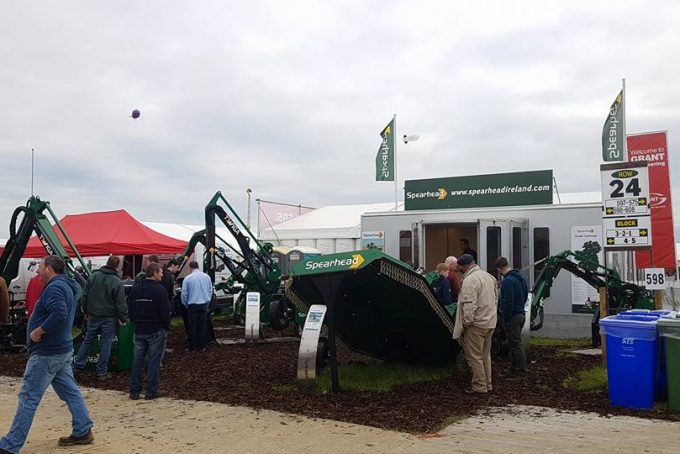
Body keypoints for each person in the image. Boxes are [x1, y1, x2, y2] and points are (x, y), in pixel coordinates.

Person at [0, 256, 94, 452]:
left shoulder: (55, 288)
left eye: (40, 268)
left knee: (28, 397)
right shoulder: (65, 285)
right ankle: (83, 430)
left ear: (50, 269)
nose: (37, 271)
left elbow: (59, 314)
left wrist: (39, 330)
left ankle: (11, 445)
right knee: (70, 391)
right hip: (60, 349)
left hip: (47, 352)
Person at [73, 255, 127, 380]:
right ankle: (101, 372)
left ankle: (76, 367)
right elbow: (120, 302)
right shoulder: (116, 281)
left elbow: (85, 295)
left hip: (93, 315)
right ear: (117, 266)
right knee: (106, 344)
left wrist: (85, 311)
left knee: (87, 341)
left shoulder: (93, 276)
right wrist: (123, 318)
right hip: (109, 317)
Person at [453, 254, 498, 394]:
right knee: (486, 356)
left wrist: (467, 322)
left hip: (476, 324)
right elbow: (495, 299)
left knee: (474, 357)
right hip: (490, 322)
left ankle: (479, 386)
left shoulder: (469, 280)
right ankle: (488, 384)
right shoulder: (489, 277)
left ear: (463, 266)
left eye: (460, 267)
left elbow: (468, 303)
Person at [128, 263, 171, 400]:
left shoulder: (136, 289)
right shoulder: (160, 290)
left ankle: (134, 391)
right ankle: (151, 390)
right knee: (153, 361)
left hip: (140, 328)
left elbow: (130, 307)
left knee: (137, 361)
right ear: (154, 273)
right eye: (160, 272)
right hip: (156, 329)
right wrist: (165, 326)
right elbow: (165, 311)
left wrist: (135, 321)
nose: (162, 275)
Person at [496, 256, 529, 377]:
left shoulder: (508, 281)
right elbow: (525, 295)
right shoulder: (521, 278)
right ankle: (514, 368)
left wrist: (505, 316)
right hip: (521, 313)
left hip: (512, 316)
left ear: (499, 269)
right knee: (514, 343)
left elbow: (507, 301)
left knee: (515, 343)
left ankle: (521, 370)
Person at [181, 261, 213, 352]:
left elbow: (184, 293)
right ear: (198, 266)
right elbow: (210, 290)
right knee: (202, 326)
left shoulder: (188, 278)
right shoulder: (206, 277)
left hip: (192, 305)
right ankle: (202, 346)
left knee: (192, 326)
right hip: (203, 305)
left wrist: (186, 304)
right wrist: (207, 301)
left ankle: (193, 346)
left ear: (190, 268)